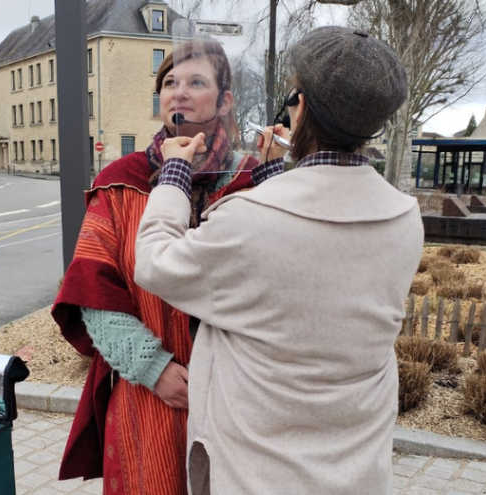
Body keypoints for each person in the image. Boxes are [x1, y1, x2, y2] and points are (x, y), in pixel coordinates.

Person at [134, 26, 425, 495]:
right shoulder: (404, 218)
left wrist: (173, 174)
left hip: (259, 473)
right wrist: (275, 174)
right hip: (357, 471)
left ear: (301, 107)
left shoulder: (248, 219)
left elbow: (154, 261)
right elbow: (310, 257)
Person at [52, 38, 276, 494]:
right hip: (149, 398)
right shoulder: (120, 182)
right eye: (170, 83)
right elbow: (95, 292)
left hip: (236, 395)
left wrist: (276, 179)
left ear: (225, 100)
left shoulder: (253, 179)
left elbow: (277, 283)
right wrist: (153, 368)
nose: (180, 93)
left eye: (196, 82)